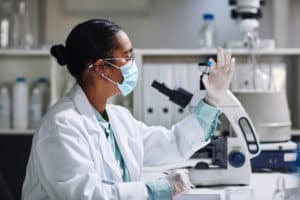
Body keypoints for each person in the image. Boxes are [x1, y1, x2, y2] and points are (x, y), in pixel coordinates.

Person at [22, 19, 234, 200]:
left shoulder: (118, 118)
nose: (133, 65)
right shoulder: (61, 125)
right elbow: (87, 195)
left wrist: (212, 100)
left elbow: (172, 143)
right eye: (127, 57)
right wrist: (157, 189)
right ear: (101, 67)